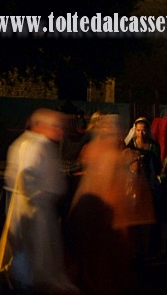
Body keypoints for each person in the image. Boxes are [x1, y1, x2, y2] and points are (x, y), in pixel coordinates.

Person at [0, 108, 78, 294]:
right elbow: (26, 176)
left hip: (38, 206)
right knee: (31, 251)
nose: (60, 131)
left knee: (34, 251)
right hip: (34, 208)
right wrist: (39, 197)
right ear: (41, 126)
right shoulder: (35, 145)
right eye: (55, 126)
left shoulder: (31, 143)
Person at [67, 114, 137, 295]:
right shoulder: (94, 150)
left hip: (109, 212)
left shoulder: (118, 154)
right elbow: (89, 182)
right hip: (97, 211)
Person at [125, 117, 162, 258]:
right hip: (133, 183)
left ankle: (147, 249)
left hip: (148, 182)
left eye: (144, 130)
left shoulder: (153, 146)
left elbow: (157, 166)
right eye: (138, 130)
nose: (141, 133)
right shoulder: (131, 145)